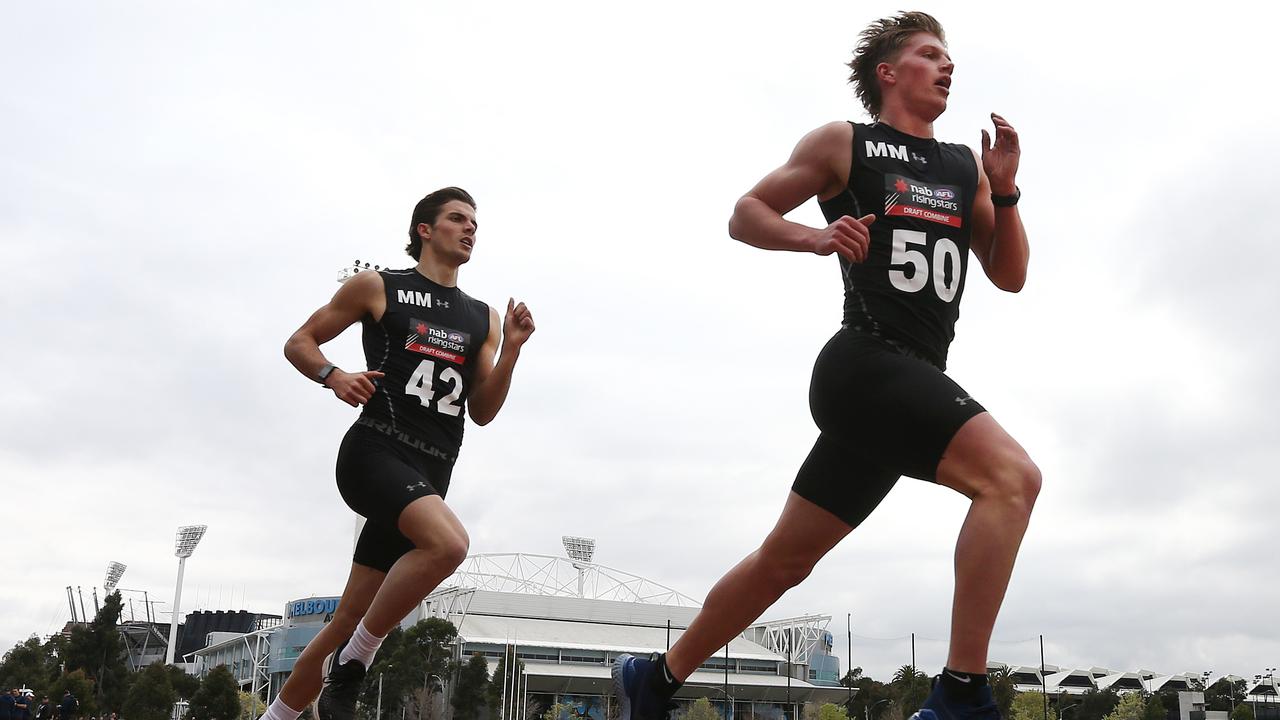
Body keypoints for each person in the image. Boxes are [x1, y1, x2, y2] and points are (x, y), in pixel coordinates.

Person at [614, 11, 1037, 720]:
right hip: (864, 365)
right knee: (1012, 478)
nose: (947, 66)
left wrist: (1006, 189)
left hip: (905, 386)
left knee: (785, 562)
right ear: (889, 73)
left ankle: (655, 679)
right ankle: (961, 694)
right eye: (930, 54)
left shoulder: (965, 165)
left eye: (949, 57)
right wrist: (814, 236)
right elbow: (746, 213)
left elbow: (1010, 274)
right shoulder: (846, 142)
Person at [259, 187, 536, 720]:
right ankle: (354, 665)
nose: (469, 228)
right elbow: (300, 341)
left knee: (348, 615)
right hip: (376, 449)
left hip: (433, 467)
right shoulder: (379, 286)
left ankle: (281, 714)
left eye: (474, 221)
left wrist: (513, 353)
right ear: (425, 230)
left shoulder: (483, 317)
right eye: (457, 219)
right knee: (451, 545)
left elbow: (482, 411)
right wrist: (333, 375)